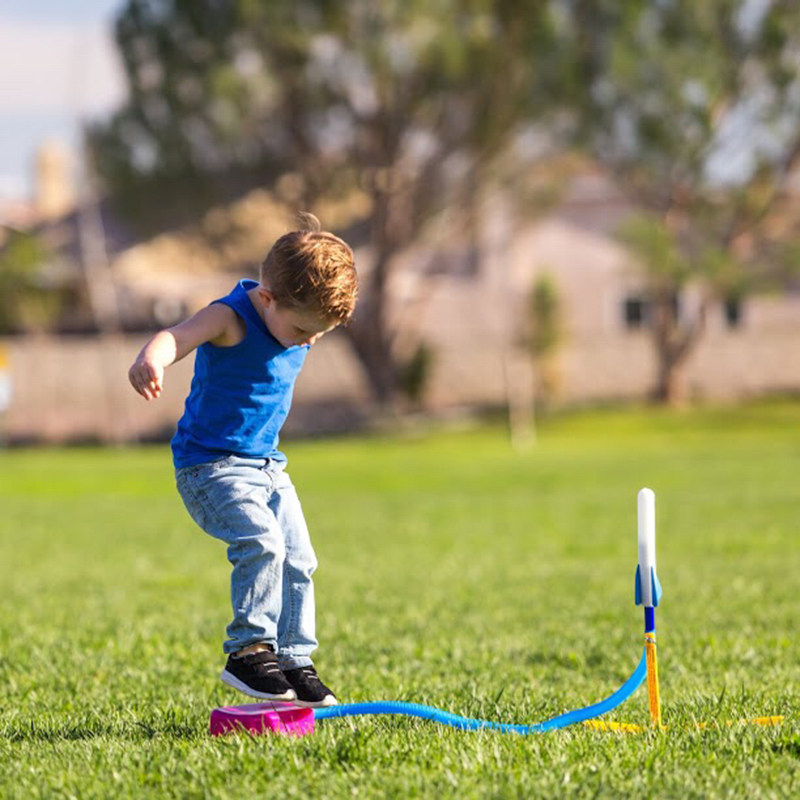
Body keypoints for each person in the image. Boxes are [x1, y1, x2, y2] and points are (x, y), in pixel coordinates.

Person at [128, 214, 357, 707]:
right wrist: (151, 359)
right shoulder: (229, 317)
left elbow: (300, 330)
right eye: (302, 329)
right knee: (263, 542)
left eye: (319, 335)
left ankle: (294, 658)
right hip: (210, 469)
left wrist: (304, 328)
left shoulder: (296, 320)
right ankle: (249, 652)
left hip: (268, 468)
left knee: (300, 558)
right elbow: (177, 335)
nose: (307, 342)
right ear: (269, 298)